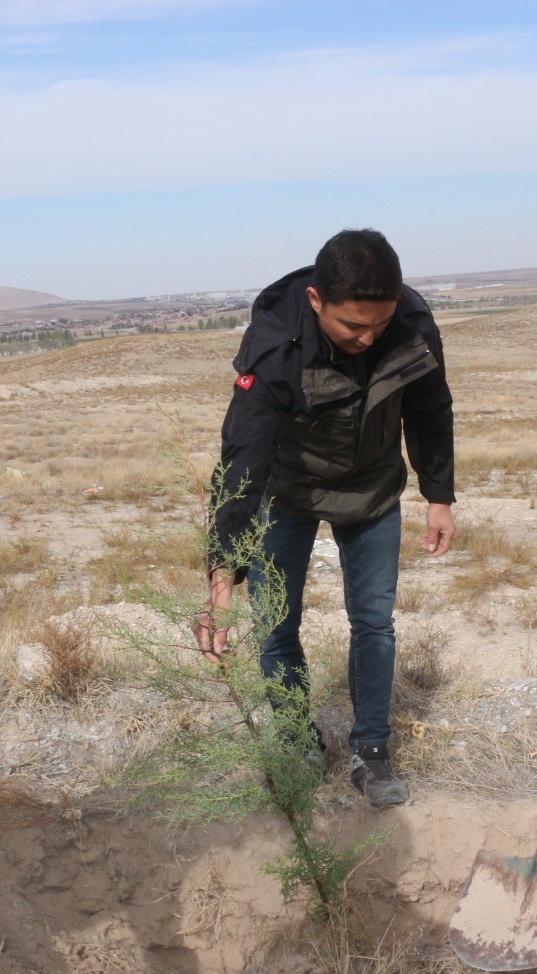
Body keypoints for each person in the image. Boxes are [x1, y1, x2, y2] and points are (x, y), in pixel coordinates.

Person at [193, 229, 456, 806]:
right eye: (352, 327)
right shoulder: (275, 345)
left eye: (378, 325)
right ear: (316, 301)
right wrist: (223, 573)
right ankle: (294, 738)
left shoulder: (410, 322)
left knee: (373, 623)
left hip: (372, 489)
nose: (368, 337)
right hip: (287, 492)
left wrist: (440, 494)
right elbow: (244, 455)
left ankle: (370, 750)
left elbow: (431, 406)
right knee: (277, 624)